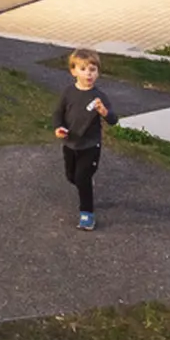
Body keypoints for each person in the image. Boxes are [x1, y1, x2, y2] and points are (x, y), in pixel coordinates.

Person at [52, 47, 119, 231]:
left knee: (82, 178)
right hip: (70, 143)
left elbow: (113, 119)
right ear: (73, 71)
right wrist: (59, 127)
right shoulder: (68, 93)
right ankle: (85, 182)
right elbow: (58, 113)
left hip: (90, 145)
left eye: (92, 70)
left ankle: (87, 214)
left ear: (98, 73)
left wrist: (104, 112)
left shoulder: (99, 96)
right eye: (83, 69)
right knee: (72, 176)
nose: (88, 74)